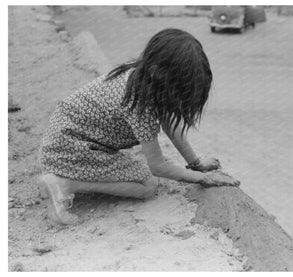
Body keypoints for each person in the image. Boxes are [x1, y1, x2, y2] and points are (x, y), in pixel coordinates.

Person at [38, 28, 240, 225]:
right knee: (147, 185)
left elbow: (168, 122)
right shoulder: (140, 104)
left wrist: (196, 163)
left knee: (142, 176)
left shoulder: (142, 77)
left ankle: (65, 179)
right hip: (71, 150)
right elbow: (158, 167)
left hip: (65, 137)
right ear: (166, 78)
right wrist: (202, 178)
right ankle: (63, 184)